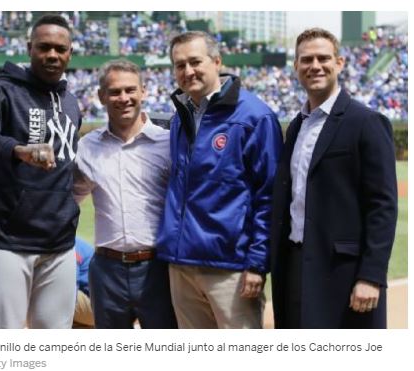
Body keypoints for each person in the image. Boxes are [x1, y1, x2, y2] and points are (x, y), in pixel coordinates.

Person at [270, 28, 398, 329]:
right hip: (294, 263)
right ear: (296, 67)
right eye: (306, 60)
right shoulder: (297, 126)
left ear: (339, 63)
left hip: (344, 272)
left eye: (323, 58)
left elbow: (382, 206)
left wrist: (371, 276)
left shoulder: (366, 122)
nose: (315, 65)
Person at [0, 14, 81, 329]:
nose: (52, 55)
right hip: (6, 243)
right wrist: (17, 149)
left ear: (70, 53)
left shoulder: (71, 102)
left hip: (59, 246)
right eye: (44, 47)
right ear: (29, 48)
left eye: (60, 48)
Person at [157, 31, 283, 329]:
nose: (188, 71)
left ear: (216, 61)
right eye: (179, 65)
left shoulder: (255, 116)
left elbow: (269, 195)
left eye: (195, 61)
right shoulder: (180, 116)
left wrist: (256, 263)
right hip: (181, 263)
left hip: (230, 268)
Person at [74, 59, 177, 329]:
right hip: (106, 269)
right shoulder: (87, 146)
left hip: (158, 267)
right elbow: (69, 200)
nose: (124, 98)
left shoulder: (168, 144)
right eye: (115, 92)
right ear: (101, 96)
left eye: (131, 90)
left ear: (143, 91)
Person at [73, 237, 94, 328]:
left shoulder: (70, 246)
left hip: (97, 309)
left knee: (46, 291)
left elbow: (70, 287)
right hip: (101, 306)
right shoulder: (74, 241)